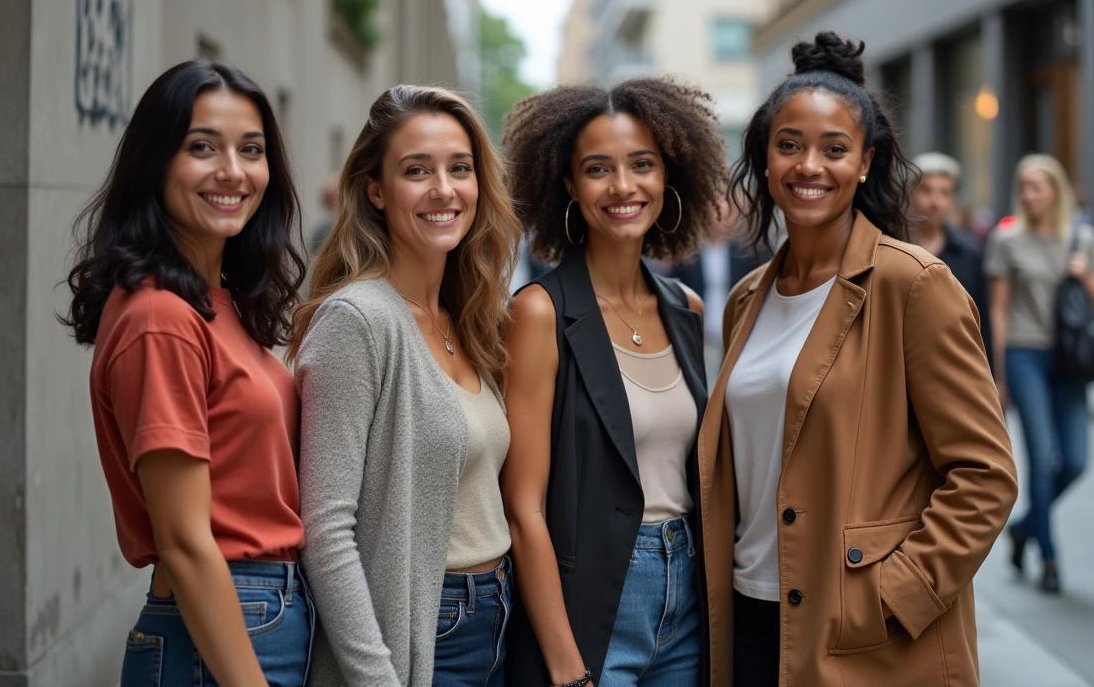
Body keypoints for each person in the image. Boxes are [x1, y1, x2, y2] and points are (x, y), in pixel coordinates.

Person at [700, 32, 1017, 686]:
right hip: (750, 619)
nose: (809, 166)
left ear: (866, 162)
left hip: (862, 633)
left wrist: (895, 595)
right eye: (790, 145)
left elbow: (985, 475)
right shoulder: (745, 299)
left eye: (834, 149)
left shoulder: (914, 286)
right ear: (764, 158)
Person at [62, 60, 312, 686]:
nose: (232, 171)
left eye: (251, 150)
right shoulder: (161, 318)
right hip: (223, 629)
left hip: (262, 615)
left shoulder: (215, 303)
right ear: (156, 163)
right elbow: (184, 541)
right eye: (202, 147)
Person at [500, 78, 729, 687]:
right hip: (593, 611)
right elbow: (523, 508)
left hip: (687, 603)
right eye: (598, 169)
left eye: (642, 164)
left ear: (669, 176)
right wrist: (564, 665)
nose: (623, 186)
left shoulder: (685, 309)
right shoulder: (540, 313)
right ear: (569, 186)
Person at [289, 86, 520, 686]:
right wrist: (376, 678)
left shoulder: (469, 316)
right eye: (417, 171)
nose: (444, 189)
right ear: (376, 190)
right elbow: (325, 529)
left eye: (460, 168)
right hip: (423, 633)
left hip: (497, 618)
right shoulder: (357, 321)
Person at [986, 153, 1094, 593]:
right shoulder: (1007, 239)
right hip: (1025, 355)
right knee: (1041, 458)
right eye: (1023, 186)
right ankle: (1050, 558)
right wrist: (1000, 376)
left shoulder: (1082, 237)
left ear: (1055, 191)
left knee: (1074, 461)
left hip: (1069, 359)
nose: (1028, 194)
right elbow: (998, 311)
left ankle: (1024, 528)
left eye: (1036, 186)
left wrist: (1087, 276)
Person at [910, 151, 993, 368]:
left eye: (944, 193)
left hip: (954, 362)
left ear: (953, 199)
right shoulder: (892, 245)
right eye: (926, 190)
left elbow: (981, 319)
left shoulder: (970, 252)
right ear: (911, 193)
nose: (935, 201)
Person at [670, 200, 767, 381]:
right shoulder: (689, 253)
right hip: (699, 332)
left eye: (724, 215)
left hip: (733, 329)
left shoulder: (743, 253)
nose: (719, 220)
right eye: (715, 214)